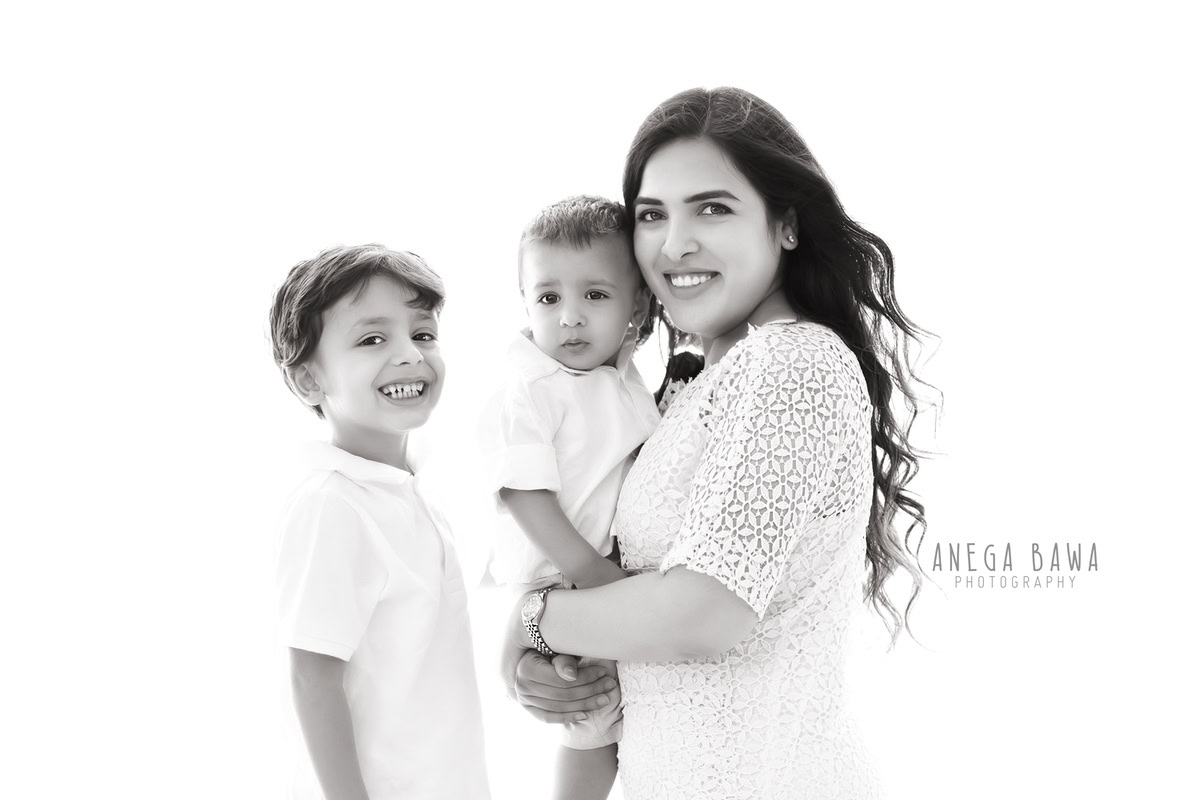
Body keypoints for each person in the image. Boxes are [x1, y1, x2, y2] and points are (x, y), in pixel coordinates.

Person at [504, 87, 933, 799]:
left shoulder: (793, 361)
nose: (674, 244)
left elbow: (703, 613)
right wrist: (543, 655)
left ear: (787, 225)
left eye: (712, 207)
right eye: (651, 215)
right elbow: (629, 604)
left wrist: (533, 622)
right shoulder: (691, 385)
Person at [269, 245, 490, 800]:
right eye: (372, 340)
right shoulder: (333, 505)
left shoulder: (412, 493)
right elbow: (311, 678)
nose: (410, 356)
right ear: (307, 381)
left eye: (423, 334)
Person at [483, 197, 660, 800]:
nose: (570, 318)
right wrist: (593, 576)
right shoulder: (532, 385)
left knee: (619, 718)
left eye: (596, 295)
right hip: (559, 578)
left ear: (637, 304)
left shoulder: (621, 377)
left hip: (599, 577)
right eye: (549, 298)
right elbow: (523, 494)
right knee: (590, 721)